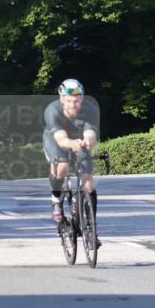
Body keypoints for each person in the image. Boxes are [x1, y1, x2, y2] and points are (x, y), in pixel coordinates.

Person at [43, 79, 102, 245]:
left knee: (89, 182)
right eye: (68, 101)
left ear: (82, 98)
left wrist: (88, 142)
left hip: (79, 140)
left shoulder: (90, 108)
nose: (73, 104)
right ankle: (56, 200)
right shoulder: (52, 110)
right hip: (56, 141)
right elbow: (61, 140)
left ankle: (91, 228)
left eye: (76, 100)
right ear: (62, 98)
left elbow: (90, 133)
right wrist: (72, 144)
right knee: (62, 166)